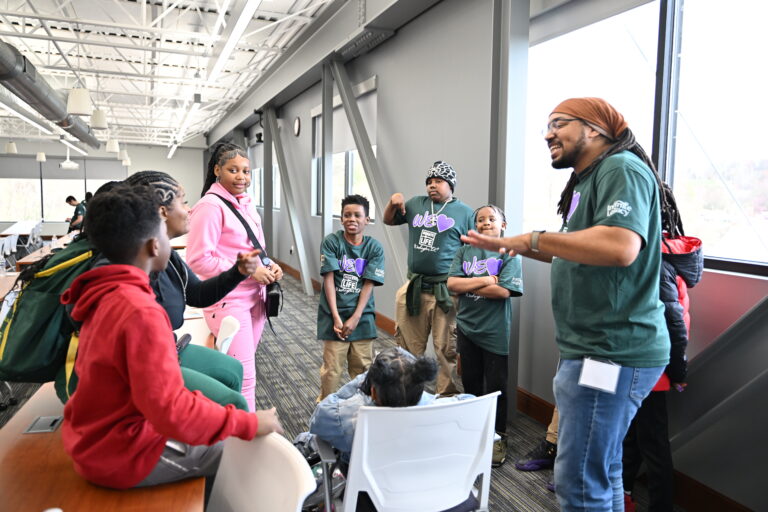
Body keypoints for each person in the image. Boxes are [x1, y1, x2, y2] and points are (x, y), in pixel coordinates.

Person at [463, 97, 671, 511]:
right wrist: (514, 244)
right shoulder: (586, 181)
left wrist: (530, 239)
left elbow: (620, 245)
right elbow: (575, 250)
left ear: (594, 129)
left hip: (610, 354)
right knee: (604, 468)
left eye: (559, 123)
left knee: (577, 480)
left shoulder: (620, 168)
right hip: (595, 348)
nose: (547, 133)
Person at [60, 184, 283, 493]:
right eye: (164, 235)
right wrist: (249, 424)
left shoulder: (106, 291)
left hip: (97, 439)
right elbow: (171, 409)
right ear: (154, 246)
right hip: (121, 455)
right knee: (239, 451)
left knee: (217, 417)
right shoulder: (138, 310)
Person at [125, 170, 264, 411]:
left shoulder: (167, 257)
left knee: (234, 371)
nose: (189, 209)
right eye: (183, 201)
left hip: (168, 349)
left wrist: (238, 271)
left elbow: (197, 295)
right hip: (143, 367)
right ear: (162, 211)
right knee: (236, 401)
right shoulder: (130, 263)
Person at [622, 185, 703, 512]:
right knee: (634, 437)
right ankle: (624, 495)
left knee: (651, 442)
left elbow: (673, 321)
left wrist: (678, 370)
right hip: (648, 363)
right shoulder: (666, 251)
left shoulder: (654, 258)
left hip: (652, 366)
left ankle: (659, 505)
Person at [187, 142, 283, 412]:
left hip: (256, 297)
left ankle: (238, 426)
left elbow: (255, 249)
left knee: (243, 369)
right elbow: (199, 260)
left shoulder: (247, 203)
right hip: (229, 302)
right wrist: (249, 270)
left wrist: (271, 265)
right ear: (217, 170)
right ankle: (246, 433)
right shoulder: (209, 206)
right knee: (244, 379)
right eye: (233, 170)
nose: (242, 177)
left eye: (247, 171)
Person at [383, 161, 474, 396]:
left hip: (445, 290)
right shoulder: (415, 204)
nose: (432, 186)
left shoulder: (464, 213)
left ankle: (446, 396)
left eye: (438, 181)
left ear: (451, 185)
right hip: (414, 287)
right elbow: (388, 220)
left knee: (446, 349)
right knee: (407, 348)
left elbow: (472, 248)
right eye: (429, 182)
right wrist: (393, 201)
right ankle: (407, 394)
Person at [447, 204, 523, 467]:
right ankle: (472, 433)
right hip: (467, 328)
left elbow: (504, 292)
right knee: (471, 385)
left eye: (492, 219)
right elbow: (451, 284)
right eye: (480, 220)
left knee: (496, 388)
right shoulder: (464, 251)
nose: (485, 223)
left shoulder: (509, 253)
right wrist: (488, 280)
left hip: (495, 333)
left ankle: (497, 437)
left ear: (503, 225)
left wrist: (470, 284)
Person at [317, 194, 385, 400]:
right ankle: (325, 409)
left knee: (363, 369)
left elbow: (368, 284)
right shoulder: (332, 242)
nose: (352, 219)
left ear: (367, 220)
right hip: (333, 315)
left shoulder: (374, 247)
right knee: (332, 370)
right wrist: (337, 318)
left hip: (362, 317)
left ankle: (362, 408)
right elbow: (328, 279)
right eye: (347, 215)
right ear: (341, 218)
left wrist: (356, 317)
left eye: (357, 215)